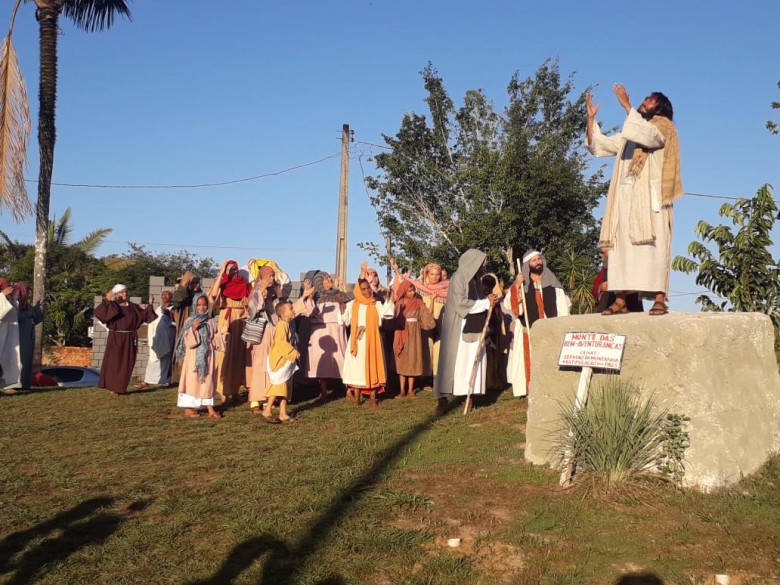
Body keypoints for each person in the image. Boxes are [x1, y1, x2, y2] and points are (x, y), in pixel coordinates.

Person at [586, 84, 683, 316]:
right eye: (645, 99)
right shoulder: (631, 131)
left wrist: (627, 106)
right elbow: (601, 145)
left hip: (652, 201)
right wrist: (590, 120)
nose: (644, 102)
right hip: (626, 200)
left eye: (650, 100)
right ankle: (621, 300)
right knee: (623, 250)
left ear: (660, 108)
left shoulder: (663, 127)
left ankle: (659, 299)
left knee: (654, 248)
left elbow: (650, 137)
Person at [433, 249, 498, 414]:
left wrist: (488, 301)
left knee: (472, 361)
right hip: (460, 326)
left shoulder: (476, 279)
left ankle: (470, 396)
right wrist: (485, 304)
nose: (483, 266)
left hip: (475, 325)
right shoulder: (459, 277)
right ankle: (444, 398)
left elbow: (478, 300)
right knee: (456, 362)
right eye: (481, 262)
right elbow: (460, 303)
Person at [503, 250, 570, 397]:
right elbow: (511, 306)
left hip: (550, 327)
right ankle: (530, 389)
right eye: (533, 260)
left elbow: (563, 304)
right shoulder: (522, 284)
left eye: (539, 259)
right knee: (531, 358)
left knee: (550, 356)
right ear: (528, 265)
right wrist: (516, 286)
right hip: (529, 329)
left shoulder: (552, 281)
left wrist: (562, 324)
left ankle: (551, 386)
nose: (538, 262)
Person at [246, 267, 313, 414]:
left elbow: (286, 311)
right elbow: (251, 312)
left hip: (277, 332)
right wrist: (261, 291)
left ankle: (271, 398)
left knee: (276, 365)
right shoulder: (256, 292)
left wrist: (305, 297)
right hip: (264, 333)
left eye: (273, 275)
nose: (272, 278)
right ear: (262, 277)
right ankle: (257, 399)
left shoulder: (276, 293)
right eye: (269, 275)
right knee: (261, 366)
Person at [340, 262, 395, 407]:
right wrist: (341, 308)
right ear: (358, 290)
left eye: (368, 288)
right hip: (357, 340)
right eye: (363, 289)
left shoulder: (375, 304)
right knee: (357, 368)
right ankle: (357, 396)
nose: (367, 292)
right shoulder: (353, 304)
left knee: (373, 365)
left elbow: (387, 314)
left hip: (373, 340)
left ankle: (372, 397)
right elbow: (344, 321)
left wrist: (389, 299)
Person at [390, 260, 449, 389]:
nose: (435, 277)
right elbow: (403, 283)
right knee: (426, 348)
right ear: (426, 274)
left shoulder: (446, 288)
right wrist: (396, 269)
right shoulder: (420, 288)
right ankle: (425, 379)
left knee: (439, 348)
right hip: (423, 321)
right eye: (432, 274)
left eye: (437, 275)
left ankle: (438, 377)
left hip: (441, 320)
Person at [94, 284, 158, 395]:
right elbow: (101, 315)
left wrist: (150, 304)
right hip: (116, 338)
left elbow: (145, 316)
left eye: (125, 291)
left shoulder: (132, 306)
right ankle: (113, 387)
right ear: (116, 294)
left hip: (130, 338)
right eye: (122, 292)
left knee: (127, 363)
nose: (125, 294)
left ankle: (121, 387)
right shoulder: (113, 305)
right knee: (114, 363)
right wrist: (107, 300)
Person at [303, 270, 353, 402]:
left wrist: (362, 274)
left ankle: (348, 389)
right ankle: (324, 392)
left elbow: (353, 296)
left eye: (329, 278)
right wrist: (309, 297)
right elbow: (309, 312)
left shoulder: (338, 295)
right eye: (325, 279)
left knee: (342, 358)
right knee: (323, 362)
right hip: (321, 331)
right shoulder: (316, 297)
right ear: (319, 282)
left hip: (337, 330)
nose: (329, 280)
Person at [208, 259, 252, 405]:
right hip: (227, 320)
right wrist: (221, 273)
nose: (233, 271)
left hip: (241, 319)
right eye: (230, 269)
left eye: (235, 268)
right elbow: (213, 296)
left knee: (239, 355)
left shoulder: (243, 284)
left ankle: (234, 390)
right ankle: (223, 391)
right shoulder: (223, 283)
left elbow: (252, 298)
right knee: (225, 355)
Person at [174, 293, 222, 418]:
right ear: (195, 305)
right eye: (199, 305)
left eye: (204, 305)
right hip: (194, 356)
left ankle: (209, 408)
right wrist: (193, 330)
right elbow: (187, 341)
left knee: (207, 380)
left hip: (208, 355)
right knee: (192, 381)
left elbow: (214, 336)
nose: (202, 307)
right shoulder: (190, 320)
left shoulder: (210, 320)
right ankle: (189, 408)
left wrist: (222, 335)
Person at [392, 279, 436, 399]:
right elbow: (393, 317)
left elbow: (426, 318)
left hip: (414, 333)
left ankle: (411, 389)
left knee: (412, 358)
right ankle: (402, 390)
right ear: (404, 291)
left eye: (413, 290)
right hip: (401, 331)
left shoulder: (418, 302)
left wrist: (431, 302)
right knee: (402, 360)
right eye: (409, 291)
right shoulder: (398, 303)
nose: (412, 293)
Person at [262, 301, 299, 423]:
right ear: (283, 314)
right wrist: (293, 352)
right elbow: (281, 343)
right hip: (279, 360)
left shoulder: (286, 325)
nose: (293, 310)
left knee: (285, 387)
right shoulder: (281, 326)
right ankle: (267, 410)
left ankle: (283, 413)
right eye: (290, 309)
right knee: (279, 386)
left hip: (285, 360)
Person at [141, 289, 176, 387]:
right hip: (156, 338)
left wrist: (169, 314)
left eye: (167, 294)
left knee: (165, 360)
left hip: (167, 339)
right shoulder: (158, 309)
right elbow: (152, 320)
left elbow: (176, 322)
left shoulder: (173, 309)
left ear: (171, 297)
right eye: (163, 294)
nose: (165, 296)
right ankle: (148, 380)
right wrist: (150, 304)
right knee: (153, 359)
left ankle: (164, 380)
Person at [14, 282, 43, 390]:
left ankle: (25, 385)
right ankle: (16, 385)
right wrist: (30, 312)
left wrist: (37, 308)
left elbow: (38, 319)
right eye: (26, 290)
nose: (28, 293)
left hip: (28, 338)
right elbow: (16, 318)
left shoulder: (27, 306)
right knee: (19, 361)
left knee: (27, 363)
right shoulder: (14, 304)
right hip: (18, 339)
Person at [0, 278, 21, 390]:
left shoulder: (6, 301)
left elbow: (12, 309)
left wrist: (11, 297)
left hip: (7, 338)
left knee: (7, 360)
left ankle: (5, 385)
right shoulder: (1, 298)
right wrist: (2, 295)